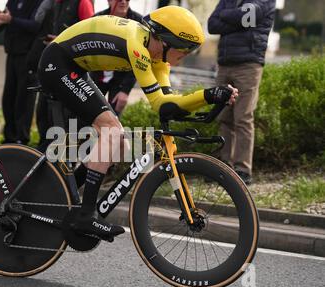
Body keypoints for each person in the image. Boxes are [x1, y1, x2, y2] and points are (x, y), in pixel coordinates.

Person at [37, 6, 239, 241]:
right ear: (165, 42)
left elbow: (167, 102)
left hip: (74, 67)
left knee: (120, 145)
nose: (183, 57)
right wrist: (207, 95)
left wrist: (212, 98)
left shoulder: (158, 59)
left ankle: (63, 189)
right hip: (57, 63)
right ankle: (85, 215)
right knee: (111, 132)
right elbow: (161, 105)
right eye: (183, 52)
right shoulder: (137, 46)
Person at [208, 0, 276, 185]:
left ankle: (243, 170)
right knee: (223, 116)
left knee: (243, 117)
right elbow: (212, 24)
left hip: (249, 64)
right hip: (224, 64)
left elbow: (246, 17)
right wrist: (237, 19)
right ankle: (224, 165)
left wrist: (226, 15)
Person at [29, 0, 95, 151]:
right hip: (53, 67)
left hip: (71, 71)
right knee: (44, 115)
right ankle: (45, 160)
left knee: (64, 122)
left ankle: (61, 163)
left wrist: (62, 42)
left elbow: (90, 35)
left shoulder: (82, 3)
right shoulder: (55, 3)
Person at [0, 0, 41, 145]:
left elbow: (35, 26)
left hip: (28, 55)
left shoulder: (39, 3)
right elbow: (6, 21)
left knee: (24, 99)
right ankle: (9, 137)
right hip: (12, 53)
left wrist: (12, 20)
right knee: (8, 98)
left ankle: (21, 138)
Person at [91, 0, 143, 115]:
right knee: (87, 117)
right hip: (96, 77)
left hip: (121, 79)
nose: (123, 1)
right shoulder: (97, 19)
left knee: (112, 122)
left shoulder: (139, 23)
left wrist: (125, 90)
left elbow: (140, 59)